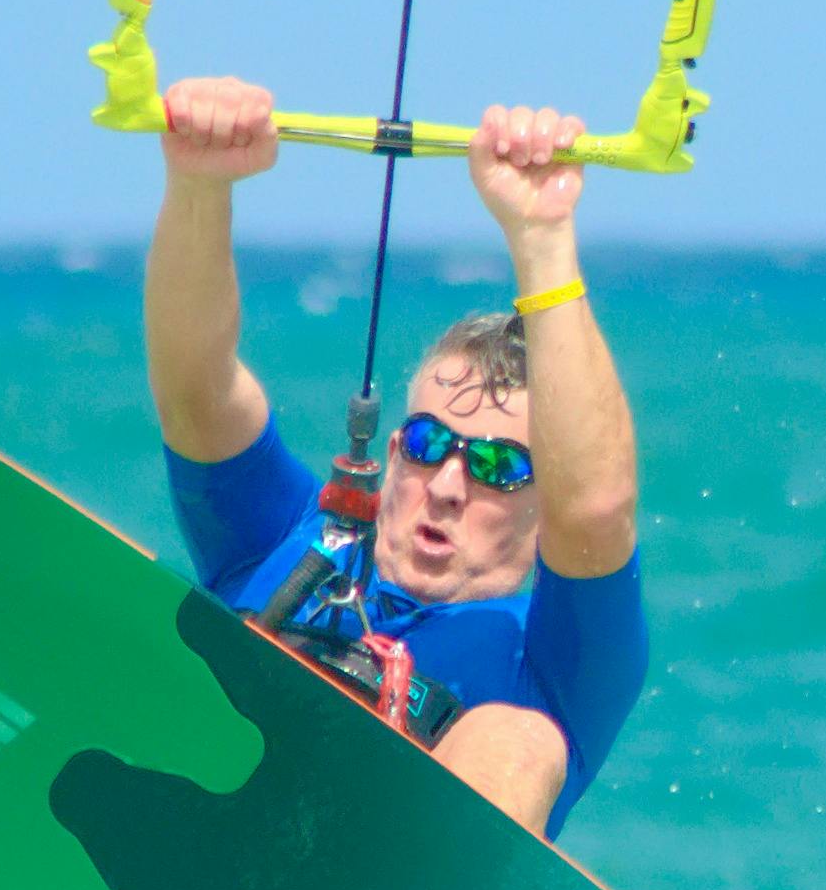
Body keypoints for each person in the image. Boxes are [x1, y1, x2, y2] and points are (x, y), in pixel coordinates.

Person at [142, 77, 649, 839]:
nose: (447, 484)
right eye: (427, 445)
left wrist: (541, 236)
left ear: (546, 510)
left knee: (516, 740)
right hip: (193, 837)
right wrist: (198, 183)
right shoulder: (284, 540)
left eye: (498, 468)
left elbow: (599, 508)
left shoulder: (558, 662)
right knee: (131, 578)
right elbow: (195, 389)